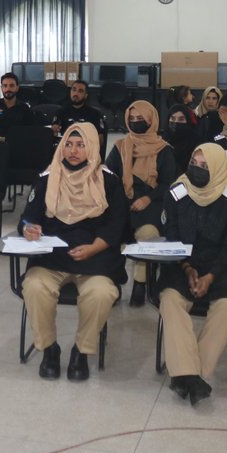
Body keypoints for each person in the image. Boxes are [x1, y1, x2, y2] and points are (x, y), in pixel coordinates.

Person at [19, 124, 126, 382]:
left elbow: (118, 225)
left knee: (101, 293)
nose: (73, 150)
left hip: (94, 258)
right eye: (68, 144)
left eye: (80, 145)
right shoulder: (47, 177)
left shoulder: (108, 179)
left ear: (91, 146)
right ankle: (49, 348)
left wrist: (95, 248)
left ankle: (81, 350)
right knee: (34, 286)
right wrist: (29, 229)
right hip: (51, 258)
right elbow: (28, 216)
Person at [158, 143, 227, 405]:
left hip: (220, 267)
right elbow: (172, 236)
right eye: (194, 164)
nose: (197, 169)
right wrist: (187, 268)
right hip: (182, 265)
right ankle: (192, 378)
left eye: (205, 166)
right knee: (170, 301)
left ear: (218, 168)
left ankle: (190, 374)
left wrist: (210, 276)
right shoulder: (176, 192)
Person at [105, 100, 176, 306]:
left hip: (153, 201)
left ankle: (140, 283)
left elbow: (167, 184)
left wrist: (147, 198)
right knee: (111, 234)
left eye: (141, 119)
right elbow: (109, 178)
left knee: (147, 235)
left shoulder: (163, 150)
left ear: (151, 120)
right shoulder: (120, 147)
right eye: (132, 119)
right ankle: (114, 282)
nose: (136, 122)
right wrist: (120, 201)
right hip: (123, 202)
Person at [53, 79, 108, 158]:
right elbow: (54, 133)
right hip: (65, 150)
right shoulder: (60, 112)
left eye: (80, 91)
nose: (76, 93)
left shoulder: (95, 114)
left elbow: (100, 139)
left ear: (86, 95)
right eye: (74, 90)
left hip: (86, 152)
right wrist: (54, 129)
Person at [0, 72, 36, 140]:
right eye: (5, 85)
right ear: (1, 88)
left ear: (17, 88)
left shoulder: (24, 107)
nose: (8, 89)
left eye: (11, 85)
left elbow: (31, 129)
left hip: (18, 142)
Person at [163, 104, 199, 175]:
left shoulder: (196, 142)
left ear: (188, 121)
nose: (176, 122)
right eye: (173, 119)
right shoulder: (161, 141)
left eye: (181, 119)